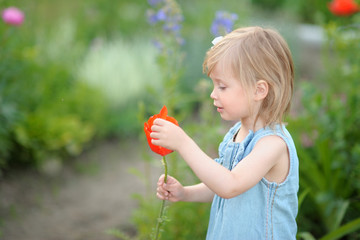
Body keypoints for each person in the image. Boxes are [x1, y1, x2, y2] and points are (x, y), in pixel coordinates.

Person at [150, 26, 299, 239]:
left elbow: (230, 185)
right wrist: (186, 193)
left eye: (222, 86)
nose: (213, 94)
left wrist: (183, 143)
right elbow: (220, 185)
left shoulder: (272, 144)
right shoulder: (237, 133)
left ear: (259, 90)